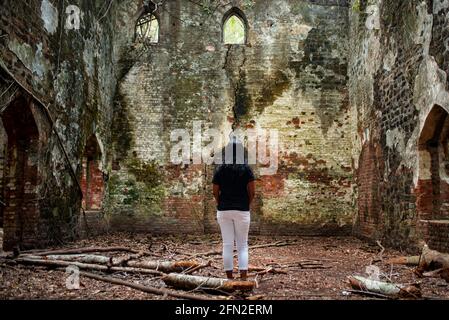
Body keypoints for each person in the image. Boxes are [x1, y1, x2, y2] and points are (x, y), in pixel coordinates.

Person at [212, 140, 255, 280]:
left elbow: (215, 192)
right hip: (242, 210)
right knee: (243, 245)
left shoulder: (220, 169)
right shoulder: (246, 169)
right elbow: (252, 192)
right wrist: (245, 204)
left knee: (227, 245)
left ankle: (229, 279)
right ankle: (243, 278)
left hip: (224, 210)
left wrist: (221, 203)